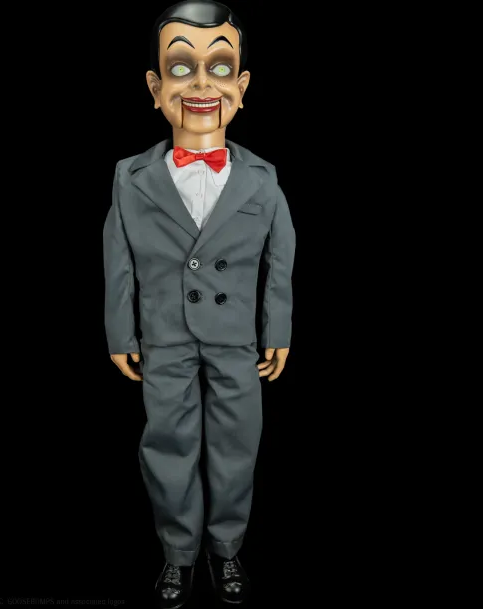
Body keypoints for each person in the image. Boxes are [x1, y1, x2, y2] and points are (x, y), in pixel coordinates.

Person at [103, 1, 295, 606]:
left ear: (242, 85)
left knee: (238, 444)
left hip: (236, 336)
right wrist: (120, 333)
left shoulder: (262, 177)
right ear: (155, 87)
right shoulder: (130, 177)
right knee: (167, 445)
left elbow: (282, 258)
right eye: (181, 68)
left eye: (221, 67)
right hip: (164, 334)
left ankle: (227, 549)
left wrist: (278, 328)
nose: (202, 84)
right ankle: (177, 554)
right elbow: (117, 258)